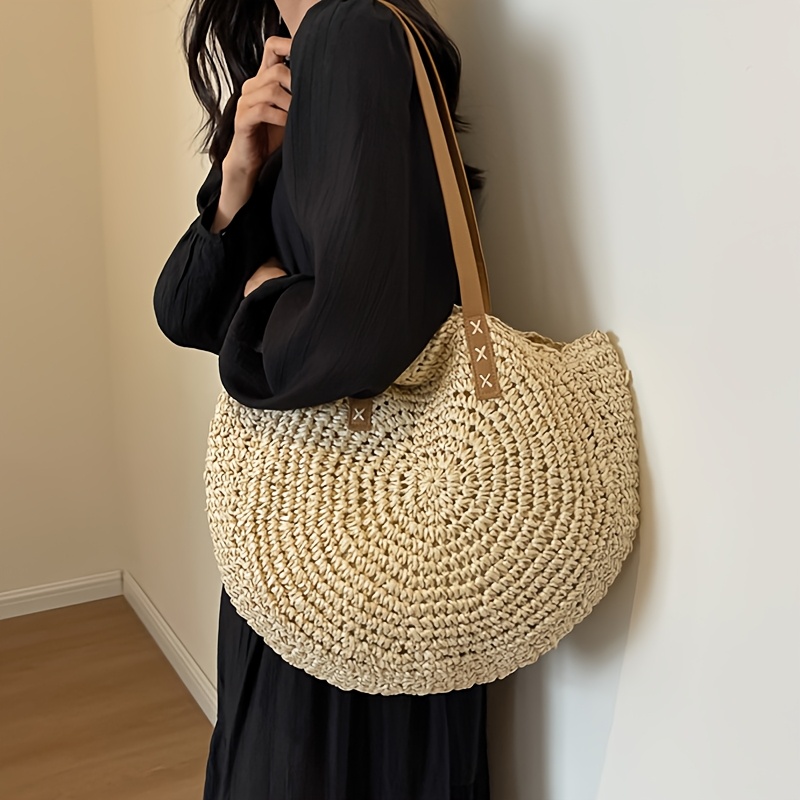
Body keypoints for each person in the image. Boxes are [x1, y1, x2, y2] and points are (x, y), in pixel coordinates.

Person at [153, 0, 490, 797]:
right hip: (348, 522)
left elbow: (352, 338)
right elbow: (182, 311)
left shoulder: (348, 31)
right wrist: (239, 173)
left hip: (343, 531)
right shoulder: (294, 55)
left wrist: (262, 294)